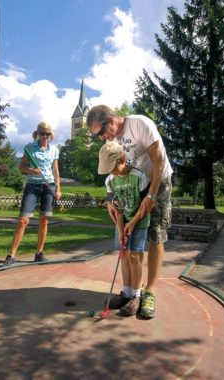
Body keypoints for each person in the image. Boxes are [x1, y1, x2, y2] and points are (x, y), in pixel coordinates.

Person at [87, 105, 173, 319]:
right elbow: (112, 175)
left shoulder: (139, 124)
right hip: (131, 188)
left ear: (111, 120)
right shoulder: (110, 141)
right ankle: (130, 292)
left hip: (157, 182)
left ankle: (149, 292)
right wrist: (110, 199)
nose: (102, 138)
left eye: (100, 132)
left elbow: (159, 160)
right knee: (129, 246)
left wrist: (151, 196)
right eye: (97, 135)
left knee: (155, 234)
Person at [98, 142, 150, 316]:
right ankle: (126, 293)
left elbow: (146, 206)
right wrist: (121, 231)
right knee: (124, 255)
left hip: (140, 220)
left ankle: (136, 296)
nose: (111, 172)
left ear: (123, 159)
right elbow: (118, 210)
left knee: (134, 256)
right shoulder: (110, 181)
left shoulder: (139, 177)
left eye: (113, 167)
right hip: (124, 219)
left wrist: (133, 223)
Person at [2, 122, 61, 266]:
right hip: (32, 186)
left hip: (49, 186)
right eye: (42, 133)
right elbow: (21, 167)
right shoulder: (29, 148)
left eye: (47, 133)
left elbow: (56, 171)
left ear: (50, 134)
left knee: (44, 220)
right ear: (37, 134)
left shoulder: (54, 150)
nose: (45, 136)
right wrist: (31, 171)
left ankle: (39, 253)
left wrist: (58, 189)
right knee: (23, 221)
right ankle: (11, 256)